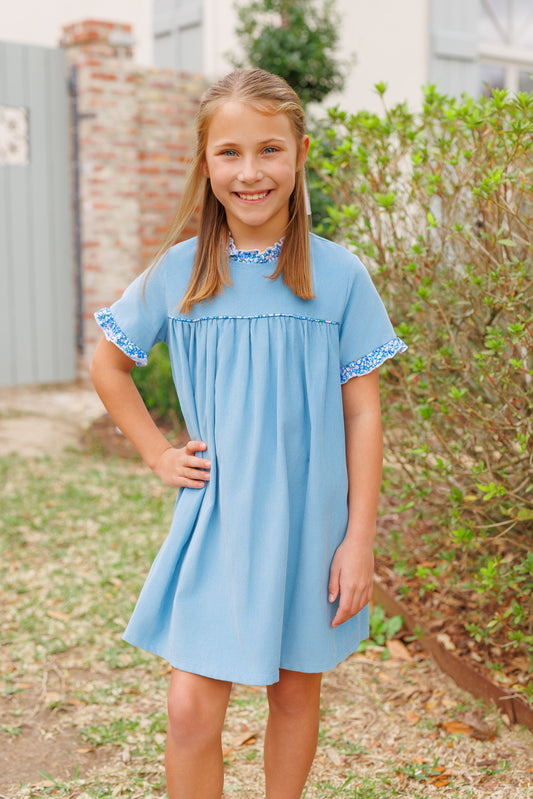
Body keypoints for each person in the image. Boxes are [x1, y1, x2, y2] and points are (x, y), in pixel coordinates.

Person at [90, 68, 406, 799]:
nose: (250, 170)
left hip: (309, 526)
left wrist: (357, 538)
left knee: (294, 694)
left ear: (299, 155)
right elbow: (107, 364)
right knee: (191, 706)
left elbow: (362, 412)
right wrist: (157, 452)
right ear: (205, 165)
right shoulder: (180, 272)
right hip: (218, 524)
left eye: (269, 149)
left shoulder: (340, 275)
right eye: (228, 153)